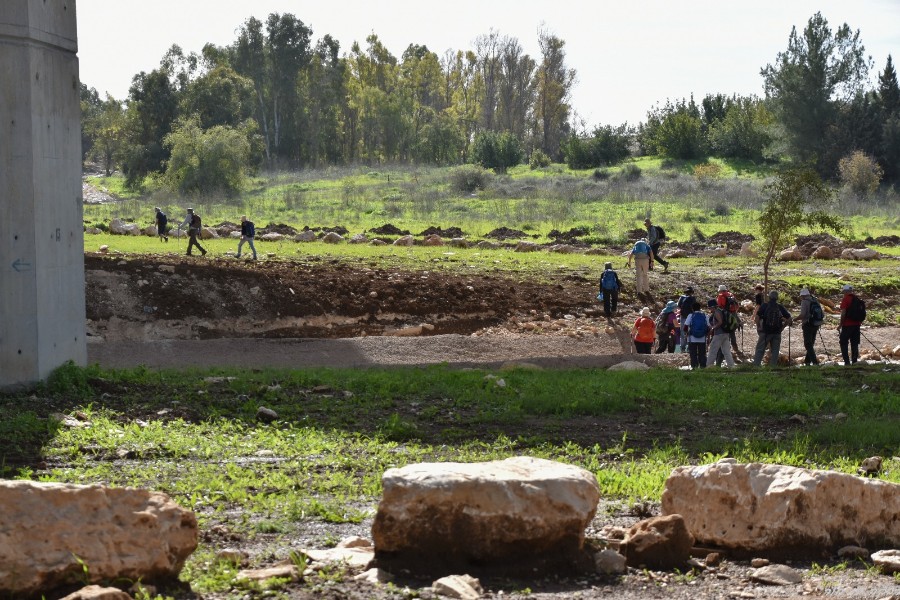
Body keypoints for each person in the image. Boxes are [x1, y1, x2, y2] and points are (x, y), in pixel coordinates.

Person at [753, 290, 792, 367]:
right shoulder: (780, 307)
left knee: (760, 349)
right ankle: (773, 367)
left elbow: (757, 317)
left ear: (769, 297)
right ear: (777, 298)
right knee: (775, 350)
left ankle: (756, 366)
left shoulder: (764, 305)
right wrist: (783, 327)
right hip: (777, 332)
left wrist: (758, 326)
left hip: (765, 332)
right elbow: (789, 319)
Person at [706, 298, 735, 368]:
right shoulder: (722, 311)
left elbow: (720, 322)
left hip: (719, 334)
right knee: (726, 351)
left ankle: (709, 366)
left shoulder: (717, 312)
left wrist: (713, 328)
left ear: (713, 307)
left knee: (713, 350)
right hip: (725, 334)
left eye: (710, 308)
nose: (710, 310)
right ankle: (731, 366)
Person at [838, 284, 862, 366]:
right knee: (854, 343)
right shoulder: (857, 299)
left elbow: (843, 312)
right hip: (857, 324)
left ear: (846, 291)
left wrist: (840, 324)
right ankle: (854, 362)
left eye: (844, 291)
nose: (843, 293)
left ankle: (847, 362)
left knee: (843, 342)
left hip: (847, 325)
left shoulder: (845, 299)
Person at [682, 301, 710, 369]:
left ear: (692, 309)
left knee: (693, 353)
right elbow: (709, 327)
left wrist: (686, 334)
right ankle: (703, 366)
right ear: (700, 308)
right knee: (702, 353)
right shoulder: (704, 315)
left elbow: (685, 327)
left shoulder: (690, 315)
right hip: (702, 338)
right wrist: (706, 335)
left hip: (692, 338)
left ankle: (694, 367)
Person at [797, 288, 821, 366]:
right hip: (816, 324)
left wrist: (795, 319)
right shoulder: (814, 300)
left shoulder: (804, 301)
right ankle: (807, 361)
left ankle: (814, 362)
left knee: (807, 344)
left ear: (803, 295)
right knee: (811, 342)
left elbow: (803, 315)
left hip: (808, 324)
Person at [677, 286, 696, 352]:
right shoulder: (693, 298)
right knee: (690, 332)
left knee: (683, 332)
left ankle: (682, 348)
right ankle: (689, 348)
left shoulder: (681, 297)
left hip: (683, 316)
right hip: (691, 317)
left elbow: (679, 306)